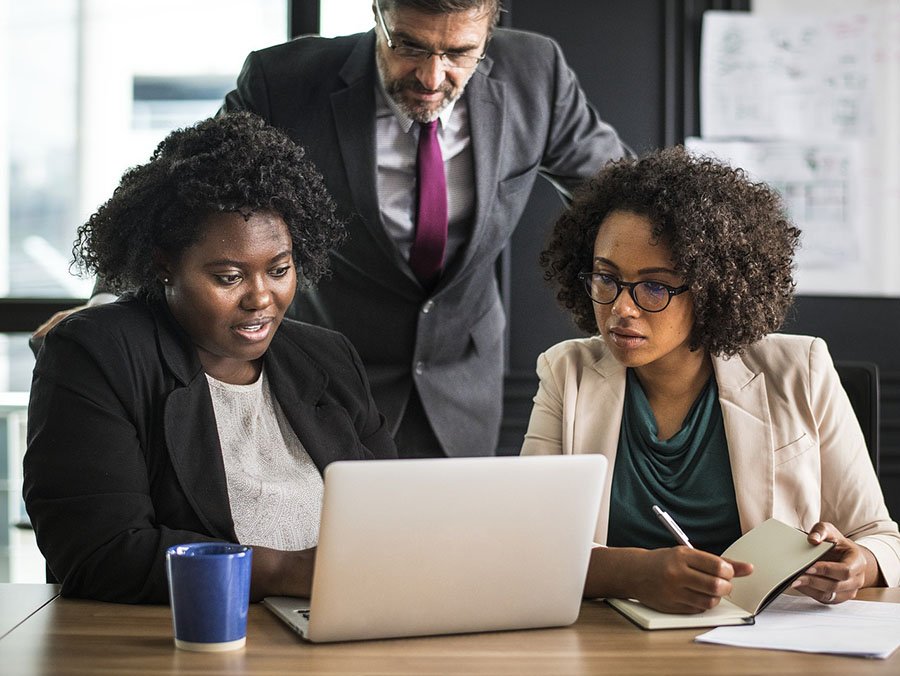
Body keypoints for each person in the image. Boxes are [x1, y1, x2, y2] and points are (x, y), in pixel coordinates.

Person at [219, 0, 631, 458]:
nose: (432, 79)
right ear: (377, 13)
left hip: (463, 379)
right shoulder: (280, 81)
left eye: (459, 53)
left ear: (489, 33)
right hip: (323, 375)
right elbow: (203, 207)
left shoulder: (536, 73)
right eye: (409, 47)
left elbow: (624, 198)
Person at [23, 112, 397, 604]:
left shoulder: (327, 357)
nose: (261, 298)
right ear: (165, 265)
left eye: (279, 269)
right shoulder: (97, 353)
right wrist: (285, 570)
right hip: (184, 640)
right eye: (228, 277)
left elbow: (395, 519)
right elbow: (100, 552)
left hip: (338, 627)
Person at [522, 147, 900, 613]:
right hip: (611, 644)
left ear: (710, 289)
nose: (622, 307)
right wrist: (634, 572)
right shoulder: (567, 373)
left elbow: (881, 538)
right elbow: (528, 547)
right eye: (606, 278)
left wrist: (857, 565)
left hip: (769, 645)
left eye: (655, 286)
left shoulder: (800, 368)